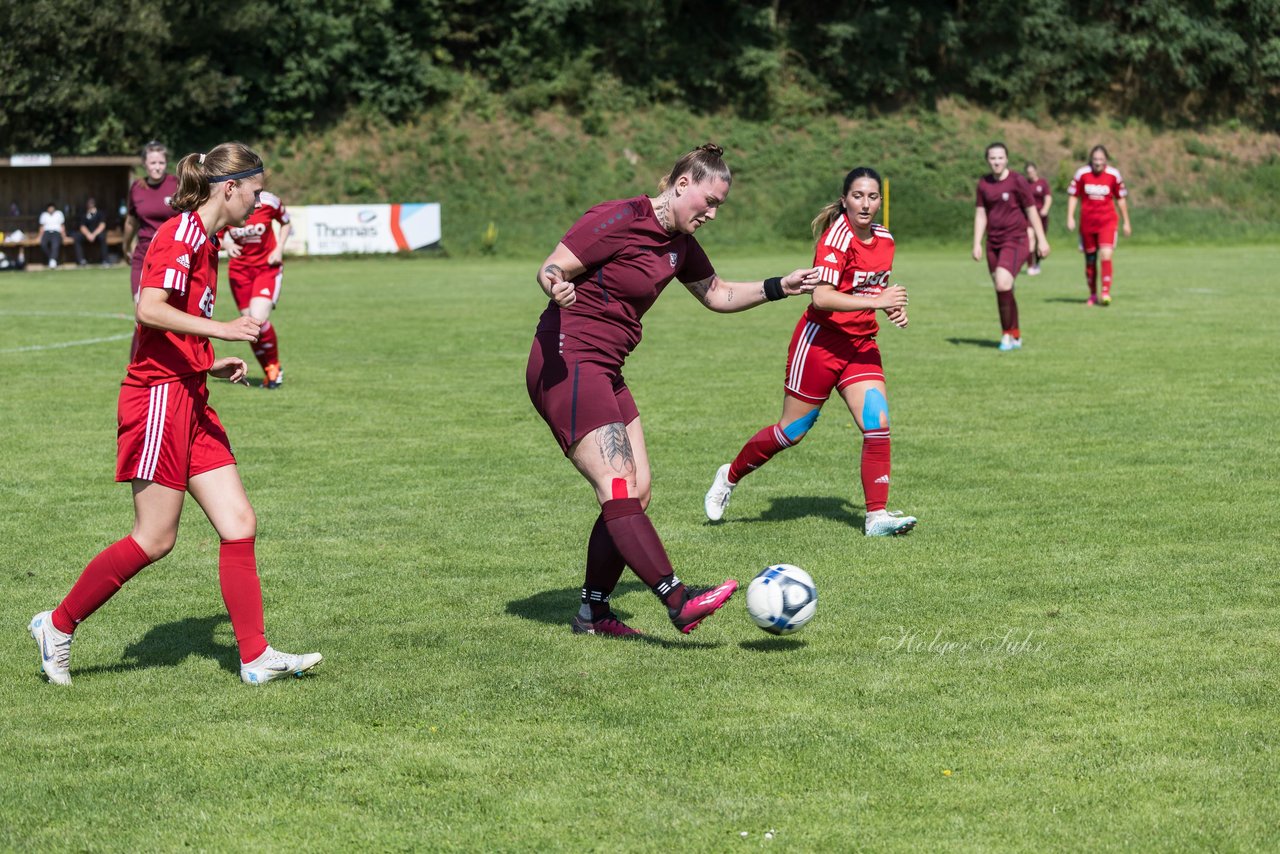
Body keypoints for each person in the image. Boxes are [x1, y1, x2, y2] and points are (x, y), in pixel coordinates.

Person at [28, 142, 321, 687]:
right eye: (255, 193)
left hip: (188, 394)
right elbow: (149, 307)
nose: (259, 205)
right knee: (155, 538)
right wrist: (225, 330)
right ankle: (57, 624)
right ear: (229, 188)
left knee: (239, 525)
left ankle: (255, 657)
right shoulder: (181, 233)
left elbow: (175, 326)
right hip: (158, 397)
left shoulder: (205, 243)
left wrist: (209, 361)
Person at [526, 143, 820, 638]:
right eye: (708, 201)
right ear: (682, 184)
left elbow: (717, 293)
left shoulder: (680, 242)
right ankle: (677, 599)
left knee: (636, 493)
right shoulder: (620, 217)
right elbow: (553, 265)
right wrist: (555, 285)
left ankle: (593, 616)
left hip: (607, 368)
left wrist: (780, 286)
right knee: (617, 485)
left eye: (719, 206)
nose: (711, 213)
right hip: (567, 359)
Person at [703, 167, 916, 536]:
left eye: (873, 197)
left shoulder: (885, 239)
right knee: (792, 431)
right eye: (858, 196)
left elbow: (867, 291)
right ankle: (730, 475)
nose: (866, 204)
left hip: (860, 344)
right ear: (845, 199)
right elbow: (822, 295)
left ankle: (876, 517)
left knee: (877, 426)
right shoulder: (837, 237)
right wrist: (881, 299)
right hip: (820, 343)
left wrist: (891, 306)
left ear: (881, 201)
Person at [972, 142, 1049, 351]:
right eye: (992, 158)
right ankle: (1015, 334)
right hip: (993, 242)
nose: (996, 161)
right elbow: (981, 213)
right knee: (1004, 289)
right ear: (987, 160)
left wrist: (1041, 239)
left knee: (1003, 284)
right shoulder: (983, 184)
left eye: (1000, 157)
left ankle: (1006, 335)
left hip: (1016, 240)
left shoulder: (1017, 181)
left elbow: (1031, 209)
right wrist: (977, 242)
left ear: (1006, 159)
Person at [220, 190, 292, 388]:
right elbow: (216, 233)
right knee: (250, 327)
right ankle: (270, 371)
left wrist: (279, 249)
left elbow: (286, 222)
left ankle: (274, 368)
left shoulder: (269, 201)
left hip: (266, 269)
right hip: (239, 272)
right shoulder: (229, 203)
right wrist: (226, 242)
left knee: (258, 320)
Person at [1066, 145, 1131, 306]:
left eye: (1101, 159)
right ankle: (1093, 294)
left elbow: (1120, 199)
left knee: (1106, 254)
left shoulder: (1113, 175)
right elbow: (1074, 196)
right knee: (1090, 259)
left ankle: (1105, 292)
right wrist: (1070, 217)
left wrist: (1126, 222)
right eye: (1095, 159)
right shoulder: (1082, 174)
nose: (1098, 163)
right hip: (1087, 223)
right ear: (1091, 159)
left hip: (1107, 221)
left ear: (1106, 160)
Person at [122, 140, 179, 300]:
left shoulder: (177, 185)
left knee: (163, 314)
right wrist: (125, 246)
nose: (157, 167)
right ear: (145, 164)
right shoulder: (137, 188)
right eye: (153, 162)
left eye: (161, 162)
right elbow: (131, 221)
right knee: (141, 312)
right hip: (144, 255)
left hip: (171, 255)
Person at [1024, 162, 1052, 275]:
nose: (1030, 174)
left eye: (1032, 171)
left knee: (1040, 241)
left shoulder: (1042, 183)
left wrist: (1045, 209)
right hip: (1029, 216)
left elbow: (1048, 197)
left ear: (1035, 171)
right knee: (1030, 238)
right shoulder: (1025, 184)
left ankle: (1037, 263)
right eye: (1028, 172)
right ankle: (1030, 266)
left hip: (1041, 217)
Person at [74, 197, 109, 266]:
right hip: (87, 234)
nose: (90, 205)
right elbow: (82, 226)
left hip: (97, 233)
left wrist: (94, 234)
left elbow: (102, 225)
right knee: (77, 238)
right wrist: (88, 234)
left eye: (92, 203)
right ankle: (81, 260)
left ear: (94, 204)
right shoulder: (84, 214)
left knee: (102, 237)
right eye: (89, 204)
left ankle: (105, 260)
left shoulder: (100, 213)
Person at [38, 202, 66, 268]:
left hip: (56, 232)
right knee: (43, 244)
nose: (51, 209)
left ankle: (52, 261)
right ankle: (52, 258)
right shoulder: (44, 215)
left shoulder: (59, 213)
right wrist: (39, 236)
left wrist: (64, 235)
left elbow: (62, 225)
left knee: (55, 245)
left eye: (52, 207)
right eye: (49, 208)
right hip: (46, 232)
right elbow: (41, 227)